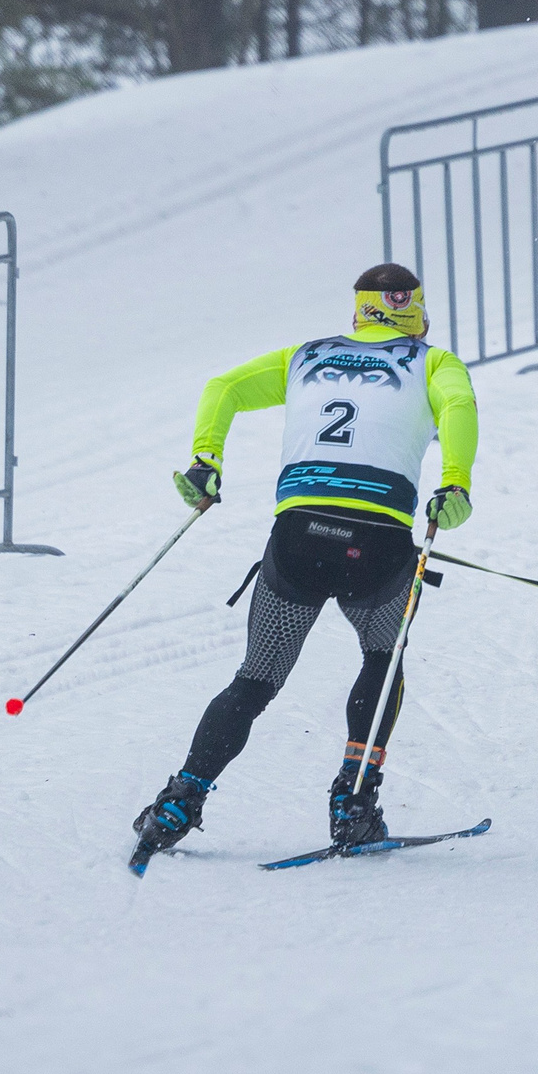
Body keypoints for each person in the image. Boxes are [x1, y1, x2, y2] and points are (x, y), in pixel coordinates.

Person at [132, 263, 476, 857]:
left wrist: (205, 460)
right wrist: (455, 482)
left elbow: (224, 387)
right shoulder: (432, 362)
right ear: (413, 309)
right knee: (382, 659)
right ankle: (353, 803)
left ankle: (179, 800)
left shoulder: (306, 356)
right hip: (378, 544)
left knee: (256, 679)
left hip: (298, 537)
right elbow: (458, 409)